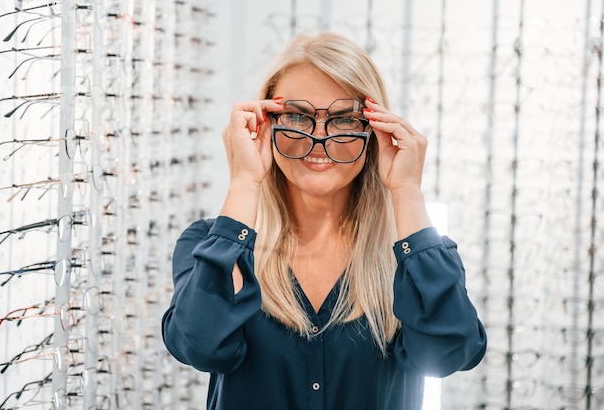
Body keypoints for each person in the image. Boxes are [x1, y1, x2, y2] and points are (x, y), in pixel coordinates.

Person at [161, 31, 486, 410]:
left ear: (372, 129)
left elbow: (450, 352)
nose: (318, 139)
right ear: (267, 121)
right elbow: (199, 346)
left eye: (344, 119)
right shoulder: (210, 244)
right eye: (297, 116)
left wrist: (407, 190)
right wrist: (245, 182)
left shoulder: (413, 257)